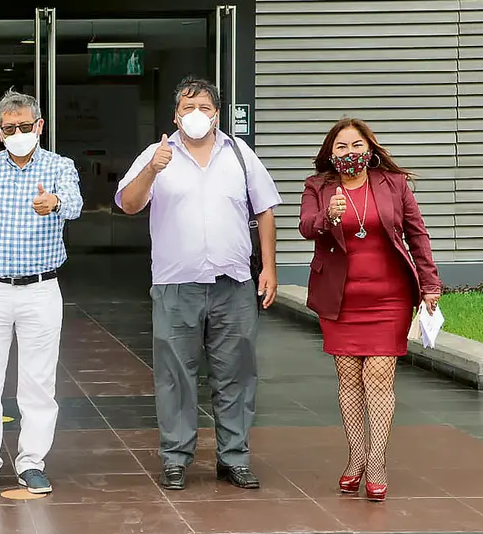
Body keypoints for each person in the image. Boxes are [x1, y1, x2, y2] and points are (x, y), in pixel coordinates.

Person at [116, 76, 281, 491]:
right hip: (176, 285)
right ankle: (175, 458)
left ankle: (235, 457)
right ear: (175, 115)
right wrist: (152, 170)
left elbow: (265, 211)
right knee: (175, 374)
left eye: (204, 108)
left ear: (217, 114)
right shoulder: (158, 155)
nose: (196, 115)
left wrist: (270, 268)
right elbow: (129, 204)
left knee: (237, 373)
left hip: (234, 283)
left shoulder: (240, 155)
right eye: (188, 108)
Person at [0, 89, 83, 497]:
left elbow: (75, 204)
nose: (20, 132)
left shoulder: (59, 167)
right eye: (11, 128)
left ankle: (31, 462)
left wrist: (54, 202)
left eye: (27, 126)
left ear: (40, 126)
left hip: (41, 289)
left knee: (39, 381)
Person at [299, 117, 441, 501]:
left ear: (370, 149)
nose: (350, 153)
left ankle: (375, 462)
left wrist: (429, 283)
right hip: (340, 298)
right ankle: (355, 457)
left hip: (388, 298)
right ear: (331, 153)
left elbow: (417, 233)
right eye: (341, 147)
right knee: (349, 379)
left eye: (357, 145)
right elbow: (306, 226)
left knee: (378, 377)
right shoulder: (319, 186)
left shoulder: (394, 185)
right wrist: (329, 216)